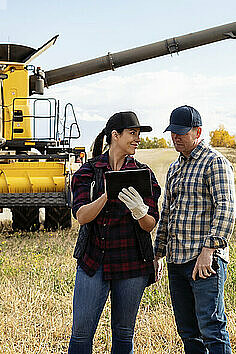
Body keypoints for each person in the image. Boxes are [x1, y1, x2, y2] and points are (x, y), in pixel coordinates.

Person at [68, 111, 161, 354]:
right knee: (81, 334)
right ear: (115, 135)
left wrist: (140, 211)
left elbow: (150, 224)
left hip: (132, 263)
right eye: (132, 133)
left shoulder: (144, 175)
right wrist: (106, 195)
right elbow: (81, 216)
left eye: (138, 134)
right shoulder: (87, 173)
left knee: (123, 334)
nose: (137, 139)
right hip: (93, 263)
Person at [154, 105, 236, 354]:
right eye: (173, 132)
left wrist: (209, 250)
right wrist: (158, 253)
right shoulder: (174, 168)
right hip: (177, 261)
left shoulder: (215, 163)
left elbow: (226, 208)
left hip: (204, 261)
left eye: (182, 132)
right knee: (188, 332)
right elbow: (167, 212)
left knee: (212, 328)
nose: (176, 137)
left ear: (198, 131)